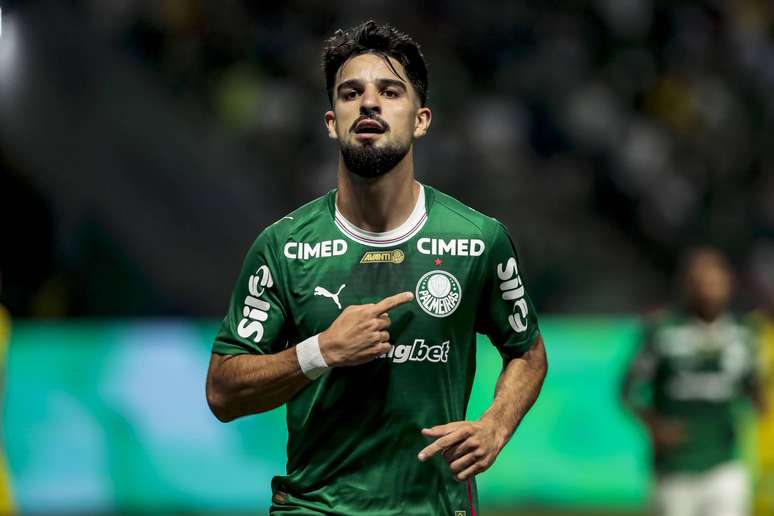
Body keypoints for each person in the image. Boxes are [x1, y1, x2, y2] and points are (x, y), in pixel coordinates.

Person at [205, 20, 547, 515]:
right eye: (351, 93)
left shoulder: (479, 240)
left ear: (421, 120)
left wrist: (496, 424)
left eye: (389, 92)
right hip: (315, 507)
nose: (369, 103)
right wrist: (321, 350)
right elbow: (222, 391)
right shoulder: (283, 247)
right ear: (331, 122)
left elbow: (528, 352)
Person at [622, 248, 764, 516]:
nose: (709, 291)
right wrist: (654, 426)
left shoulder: (742, 334)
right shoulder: (663, 330)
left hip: (724, 462)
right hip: (676, 467)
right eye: (702, 282)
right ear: (687, 286)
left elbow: (753, 388)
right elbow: (628, 391)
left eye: (715, 282)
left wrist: (760, 404)